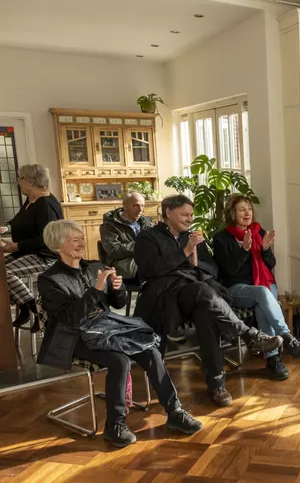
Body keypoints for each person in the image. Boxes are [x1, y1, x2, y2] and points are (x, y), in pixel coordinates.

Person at [37, 220, 202, 448]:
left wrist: (117, 288)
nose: (81, 244)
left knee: (151, 350)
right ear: (57, 246)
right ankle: (115, 425)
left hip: (105, 328)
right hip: (72, 337)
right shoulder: (48, 279)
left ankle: (174, 411)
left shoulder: (94, 266)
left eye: (82, 239)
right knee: (119, 360)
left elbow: (118, 302)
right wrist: (96, 290)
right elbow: (70, 318)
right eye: (75, 240)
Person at [134, 195, 283, 407]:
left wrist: (194, 262)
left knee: (206, 312)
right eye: (184, 214)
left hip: (194, 297)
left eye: (191, 215)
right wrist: (185, 251)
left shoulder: (192, 236)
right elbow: (150, 270)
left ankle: (217, 386)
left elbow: (212, 269)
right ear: (168, 213)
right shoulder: (148, 238)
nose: (189, 219)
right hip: (165, 300)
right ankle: (248, 334)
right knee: (203, 294)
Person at [213, 194, 300, 380]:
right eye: (241, 209)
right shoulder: (221, 239)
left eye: (249, 209)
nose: (247, 212)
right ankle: (286, 337)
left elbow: (271, 263)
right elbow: (229, 272)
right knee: (263, 293)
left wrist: (265, 250)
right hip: (236, 288)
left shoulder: (258, 231)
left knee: (263, 303)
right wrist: (244, 250)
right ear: (232, 213)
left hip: (263, 285)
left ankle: (273, 360)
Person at [0, 164, 62, 332]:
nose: (18, 182)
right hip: (27, 252)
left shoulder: (45, 204)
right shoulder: (31, 200)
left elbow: (46, 238)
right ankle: (26, 308)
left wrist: (17, 246)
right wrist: (6, 228)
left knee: (4, 272)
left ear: (31, 181)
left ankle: (37, 311)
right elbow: (20, 222)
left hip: (45, 256)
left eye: (20, 179)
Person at [99, 191, 154, 279]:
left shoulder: (147, 222)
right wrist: (141, 246)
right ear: (125, 205)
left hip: (146, 260)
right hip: (124, 264)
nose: (140, 210)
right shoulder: (109, 225)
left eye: (142, 206)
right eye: (136, 206)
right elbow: (113, 250)